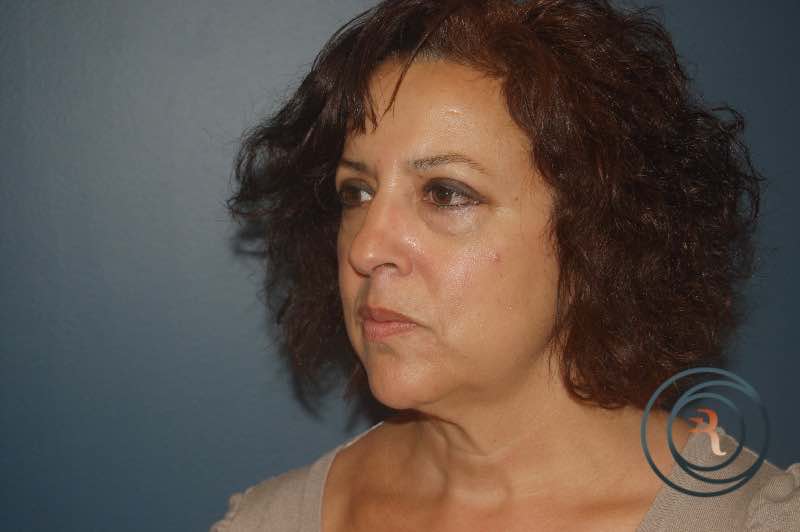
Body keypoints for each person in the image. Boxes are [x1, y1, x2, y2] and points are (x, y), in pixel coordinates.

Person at [211, 1, 800, 530]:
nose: (365, 249)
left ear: (597, 234)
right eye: (356, 192)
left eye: (445, 193)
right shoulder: (272, 521)